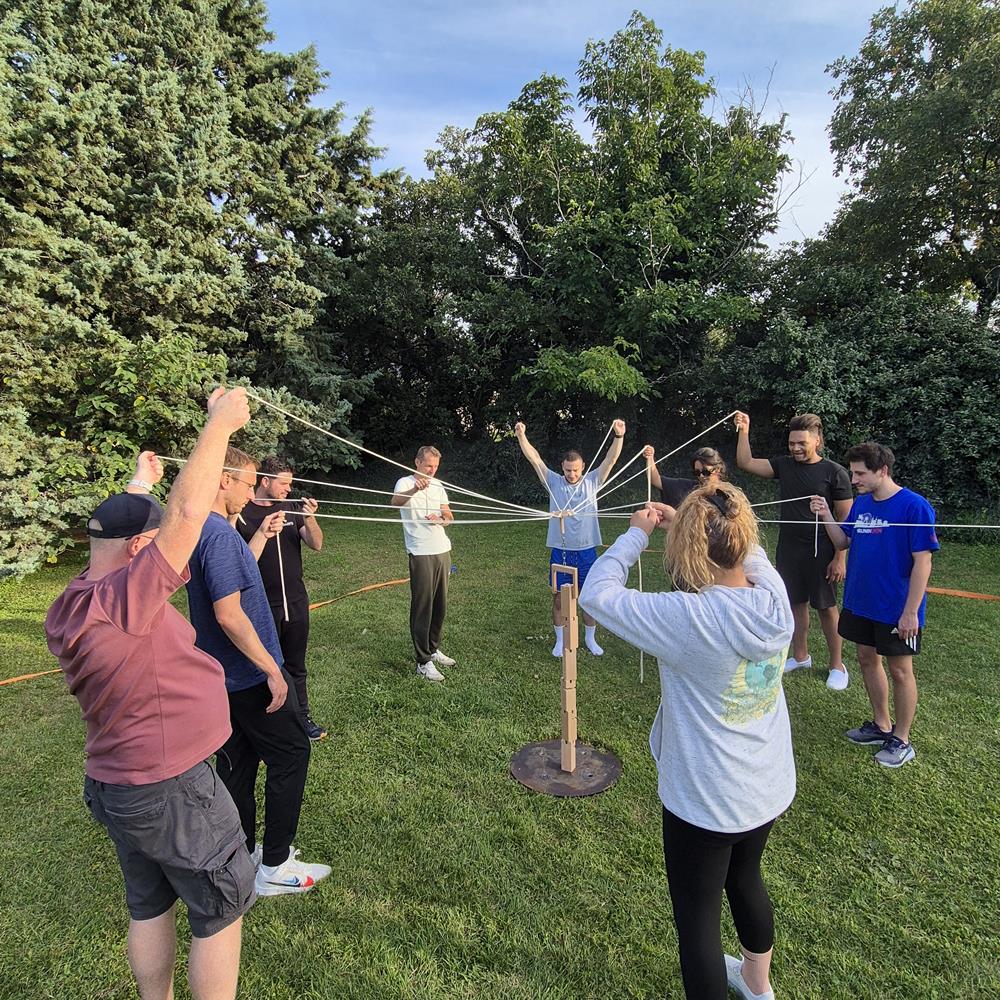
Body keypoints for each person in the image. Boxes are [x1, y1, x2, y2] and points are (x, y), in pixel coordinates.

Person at [44, 389, 255, 1000]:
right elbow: (187, 517)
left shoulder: (75, 600)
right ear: (140, 551)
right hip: (171, 790)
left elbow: (122, 529)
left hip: (120, 787)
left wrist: (138, 486)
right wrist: (220, 422)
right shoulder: (124, 606)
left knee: (149, 905)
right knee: (221, 907)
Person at [580, 484, 794, 1000]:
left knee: (698, 920)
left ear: (690, 552)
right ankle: (757, 987)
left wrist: (636, 535)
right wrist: (703, 523)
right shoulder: (774, 598)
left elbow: (596, 594)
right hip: (764, 786)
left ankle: (751, 984)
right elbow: (754, 556)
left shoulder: (689, 618)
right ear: (742, 536)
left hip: (705, 798)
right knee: (746, 879)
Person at [185, 446, 330, 895]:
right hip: (248, 674)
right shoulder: (220, 537)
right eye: (247, 482)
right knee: (291, 754)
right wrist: (272, 669)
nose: (251, 492)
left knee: (240, 764)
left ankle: (242, 853)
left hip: (222, 677)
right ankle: (275, 865)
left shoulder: (203, 530)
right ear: (223, 480)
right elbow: (229, 615)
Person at [810, 442, 937, 768]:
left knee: (900, 670)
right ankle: (882, 725)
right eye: (852, 472)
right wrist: (825, 514)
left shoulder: (914, 507)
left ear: (882, 471)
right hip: (860, 602)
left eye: (860, 473)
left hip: (896, 608)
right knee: (867, 659)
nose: (853, 479)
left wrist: (911, 612)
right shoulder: (863, 503)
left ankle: (902, 739)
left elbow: (922, 563)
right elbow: (843, 541)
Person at [735, 411, 853, 690]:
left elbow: (846, 523)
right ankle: (801, 656)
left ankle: (837, 664)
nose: (796, 448)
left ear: (817, 441)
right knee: (794, 603)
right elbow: (745, 462)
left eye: (802, 443)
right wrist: (744, 429)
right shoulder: (785, 465)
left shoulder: (835, 473)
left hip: (821, 549)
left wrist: (840, 558)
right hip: (789, 547)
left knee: (825, 607)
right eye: (792, 443)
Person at [515, 419, 626, 657]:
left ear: (583, 467)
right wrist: (521, 436)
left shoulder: (592, 481)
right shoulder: (554, 481)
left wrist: (618, 436)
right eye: (568, 470)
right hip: (561, 550)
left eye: (575, 470)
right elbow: (534, 459)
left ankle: (589, 639)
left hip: (586, 551)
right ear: (562, 468)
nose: (572, 474)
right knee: (559, 598)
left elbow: (611, 460)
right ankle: (561, 639)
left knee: (588, 598)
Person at [236, 456, 327, 742]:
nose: (289, 488)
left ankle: (302, 719)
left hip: (295, 601)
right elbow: (239, 561)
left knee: (296, 665)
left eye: (290, 483)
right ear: (265, 482)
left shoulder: (292, 508)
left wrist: (309, 517)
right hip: (260, 605)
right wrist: (263, 532)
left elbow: (317, 544)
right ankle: (266, 728)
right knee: (264, 667)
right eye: (283, 483)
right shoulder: (241, 511)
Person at [391, 445, 456, 682]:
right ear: (417, 462)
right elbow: (395, 502)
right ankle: (423, 661)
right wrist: (413, 490)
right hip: (420, 551)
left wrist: (441, 519)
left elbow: (449, 517)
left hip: (442, 550)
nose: (432, 470)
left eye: (436, 466)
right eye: (429, 465)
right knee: (423, 605)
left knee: (440, 604)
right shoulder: (404, 482)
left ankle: (433, 648)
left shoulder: (438, 486)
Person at [644, 444, 727, 506]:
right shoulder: (689, 487)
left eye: (706, 472)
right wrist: (650, 458)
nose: (701, 476)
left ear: (718, 469)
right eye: (697, 472)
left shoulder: (728, 496)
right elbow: (656, 480)